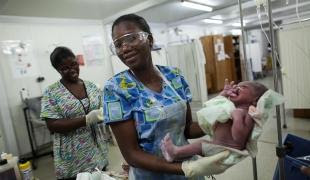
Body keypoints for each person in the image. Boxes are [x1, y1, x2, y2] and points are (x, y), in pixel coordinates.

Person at [103, 14, 230, 180]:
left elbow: (187, 129)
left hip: (188, 171)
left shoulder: (174, 76)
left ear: (149, 40)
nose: (125, 48)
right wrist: (185, 167)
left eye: (131, 38)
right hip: (152, 175)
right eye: (118, 45)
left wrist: (220, 114)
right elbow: (131, 154)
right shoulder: (116, 89)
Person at [40, 47, 109, 180]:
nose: (72, 70)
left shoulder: (92, 87)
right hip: (72, 156)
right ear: (58, 70)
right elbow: (53, 125)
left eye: (73, 64)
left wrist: (103, 115)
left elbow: (103, 112)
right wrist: (86, 119)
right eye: (65, 68)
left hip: (97, 150)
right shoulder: (51, 92)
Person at [161, 81, 268, 162]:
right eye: (237, 85)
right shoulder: (232, 107)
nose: (237, 87)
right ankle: (177, 154)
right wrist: (224, 93)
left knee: (200, 145)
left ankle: (175, 152)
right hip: (218, 143)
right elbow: (214, 104)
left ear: (254, 100)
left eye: (243, 87)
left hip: (226, 149)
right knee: (200, 146)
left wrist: (237, 118)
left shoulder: (247, 114)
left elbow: (239, 137)